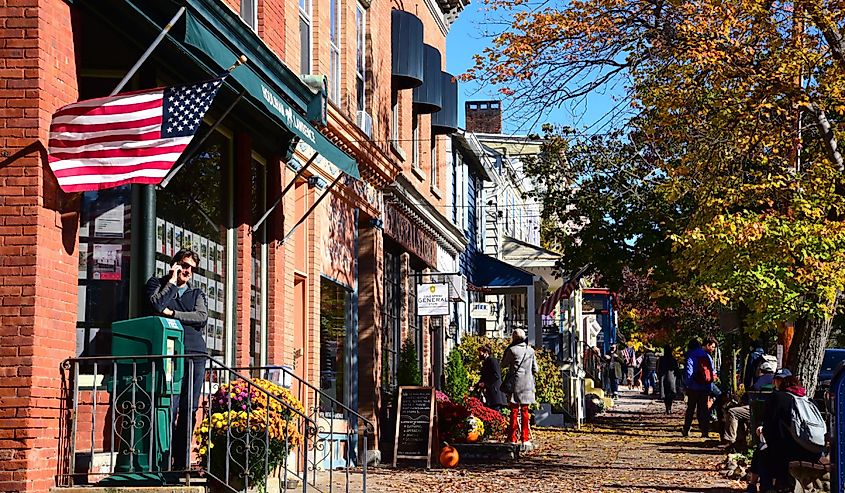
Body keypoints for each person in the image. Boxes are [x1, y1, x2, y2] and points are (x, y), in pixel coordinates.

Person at [146, 249, 208, 469]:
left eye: (191, 268)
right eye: (183, 265)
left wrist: (173, 314)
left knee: (189, 407)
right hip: (169, 354)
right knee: (168, 404)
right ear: (174, 264)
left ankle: (181, 462)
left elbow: (201, 317)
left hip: (195, 355)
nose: (187, 270)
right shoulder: (157, 284)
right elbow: (156, 305)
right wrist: (171, 282)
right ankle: (163, 460)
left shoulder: (196, 294)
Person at [762, 375, 825, 489]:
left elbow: (769, 428)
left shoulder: (777, 398)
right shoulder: (810, 401)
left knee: (761, 455)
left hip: (788, 453)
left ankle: (765, 488)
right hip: (814, 451)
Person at [722, 360, 777, 452]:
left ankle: (730, 441)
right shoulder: (775, 379)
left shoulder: (761, 379)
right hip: (769, 411)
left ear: (760, 370)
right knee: (740, 415)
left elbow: (751, 392)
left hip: (756, 410)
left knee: (733, 412)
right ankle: (740, 442)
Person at [500, 329, 539, 450]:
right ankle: (525, 438)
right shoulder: (530, 351)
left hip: (516, 384)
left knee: (514, 411)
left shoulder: (512, 350)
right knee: (525, 411)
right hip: (527, 385)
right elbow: (535, 369)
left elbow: (504, 364)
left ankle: (512, 438)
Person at [683, 338, 716, 438]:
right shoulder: (707, 356)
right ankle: (704, 431)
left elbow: (689, 371)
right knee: (704, 409)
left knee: (690, 409)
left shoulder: (691, 355)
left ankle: (686, 429)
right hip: (705, 387)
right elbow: (712, 371)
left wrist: (687, 384)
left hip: (694, 387)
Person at [477, 345, 506, 411]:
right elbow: (483, 378)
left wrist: (485, 383)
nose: (479, 355)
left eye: (480, 353)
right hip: (490, 394)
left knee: (496, 413)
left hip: (495, 392)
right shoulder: (486, 363)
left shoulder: (493, 361)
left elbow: (496, 375)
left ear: (486, 352)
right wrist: (476, 386)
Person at [656, 345, 679, 414]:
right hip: (671, 378)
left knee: (665, 393)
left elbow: (658, 369)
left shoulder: (661, 359)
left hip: (663, 378)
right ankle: (669, 407)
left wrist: (659, 376)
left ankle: (667, 408)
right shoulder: (673, 359)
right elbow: (676, 370)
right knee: (670, 393)